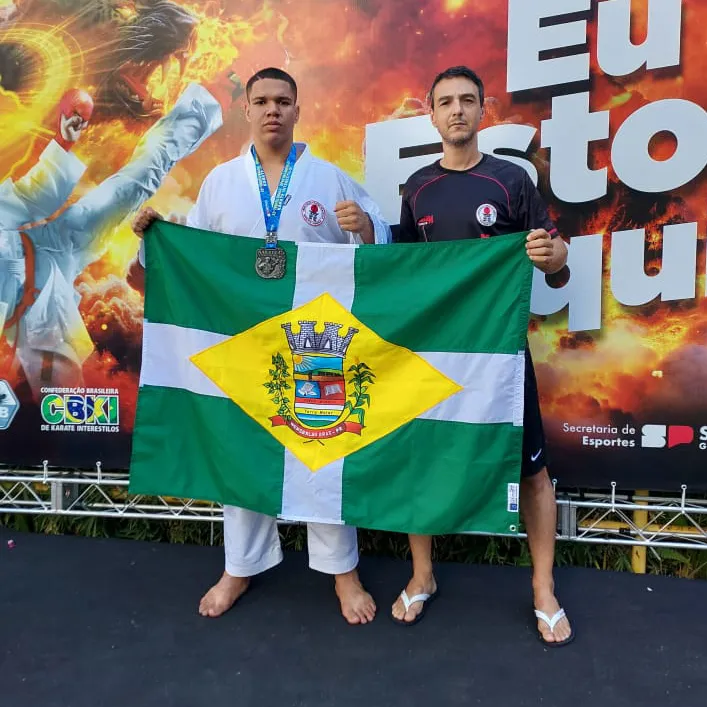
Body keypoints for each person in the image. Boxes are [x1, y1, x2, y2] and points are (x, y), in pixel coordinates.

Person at [130, 67, 391, 625]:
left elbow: (381, 255)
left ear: (297, 110)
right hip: (244, 342)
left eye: (283, 101)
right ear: (246, 109)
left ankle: (342, 571)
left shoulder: (331, 180)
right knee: (241, 453)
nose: (273, 109)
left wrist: (367, 229)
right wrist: (157, 236)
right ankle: (241, 566)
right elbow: (194, 258)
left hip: (314, 343)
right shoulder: (220, 183)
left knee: (323, 450)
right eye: (263, 101)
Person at [392, 66, 573, 646]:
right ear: (431, 113)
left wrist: (551, 256)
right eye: (445, 101)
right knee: (421, 460)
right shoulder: (416, 188)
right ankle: (423, 575)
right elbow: (401, 275)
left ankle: (543, 588)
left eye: (467, 100)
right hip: (433, 354)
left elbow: (558, 263)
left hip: (500, 355)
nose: (457, 110)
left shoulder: (512, 181)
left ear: (482, 109)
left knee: (531, 469)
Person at [1, 69, 236, 396]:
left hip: (54, 242)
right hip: (37, 307)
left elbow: (28, 199)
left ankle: (210, 100)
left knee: (136, 180)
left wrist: (63, 142)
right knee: (59, 392)